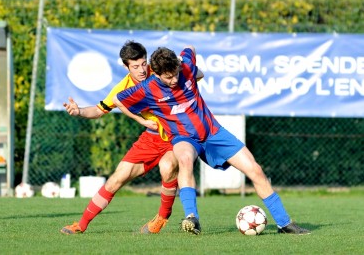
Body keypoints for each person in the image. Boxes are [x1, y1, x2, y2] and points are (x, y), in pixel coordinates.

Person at [113, 45, 311, 235]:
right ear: (156, 74)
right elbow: (118, 100)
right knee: (184, 161)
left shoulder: (186, 67)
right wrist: (142, 121)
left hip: (213, 132)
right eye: (168, 77)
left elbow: (191, 48)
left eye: (175, 73)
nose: (174, 80)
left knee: (254, 169)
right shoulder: (148, 88)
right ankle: (192, 217)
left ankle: (284, 223)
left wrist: (194, 71)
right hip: (183, 138)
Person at [60, 41, 179, 235]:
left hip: (176, 135)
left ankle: (162, 218)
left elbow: (187, 76)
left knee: (167, 168)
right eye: (135, 66)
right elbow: (99, 110)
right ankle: (81, 224)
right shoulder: (122, 88)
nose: (141, 70)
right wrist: (79, 110)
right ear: (126, 66)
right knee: (116, 178)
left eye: (143, 64)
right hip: (151, 138)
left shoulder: (159, 72)